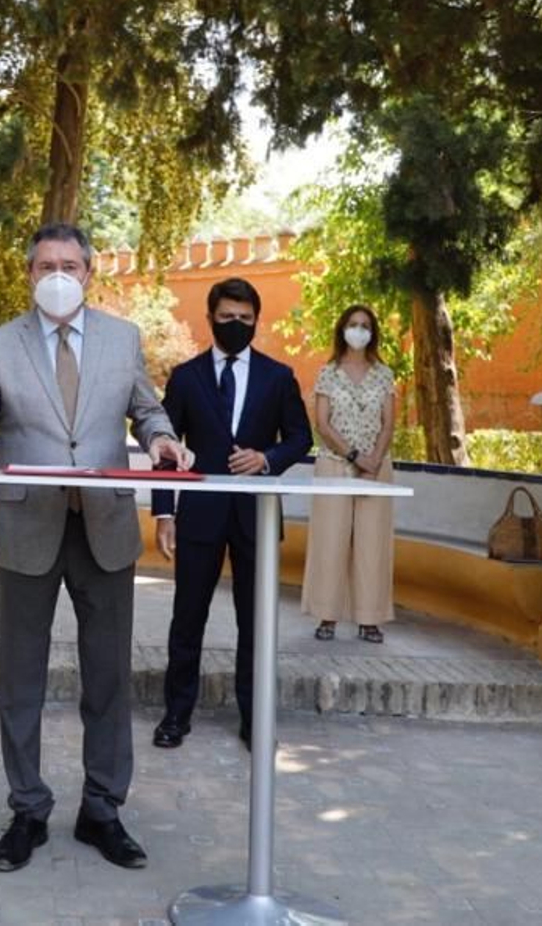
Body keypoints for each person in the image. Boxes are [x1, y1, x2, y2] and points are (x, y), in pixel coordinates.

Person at [0, 224, 193, 874]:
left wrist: (163, 441)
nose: (57, 273)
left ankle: (102, 810)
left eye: (69, 264)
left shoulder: (122, 339)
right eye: (45, 264)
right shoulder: (1, 343)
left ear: (89, 272)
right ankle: (28, 809)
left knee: (107, 679)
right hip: (29, 529)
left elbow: (148, 412)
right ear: (29, 275)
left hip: (105, 529)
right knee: (20, 681)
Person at [150, 278, 312, 751]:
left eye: (245, 319)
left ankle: (255, 718)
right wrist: (164, 512)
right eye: (227, 318)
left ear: (256, 321)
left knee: (255, 620)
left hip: (255, 514)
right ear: (211, 319)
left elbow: (300, 438)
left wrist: (267, 459)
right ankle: (176, 714)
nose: (236, 326)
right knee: (187, 618)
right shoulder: (186, 376)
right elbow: (164, 444)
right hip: (199, 513)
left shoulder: (278, 376)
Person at [301, 304, 398, 645]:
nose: (359, 330)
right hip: (334, 464)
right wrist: (354, 456)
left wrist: (373, 460)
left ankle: (369, 620)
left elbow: (389, 423)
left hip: (376, 468)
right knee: (331, 539)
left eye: (365, 325)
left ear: (373, 333)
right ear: (342, 329)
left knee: (373, 542)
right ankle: (327, 615)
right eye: (354, 324)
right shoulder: (328, 372)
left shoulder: (384, 374)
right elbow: (322, 424)